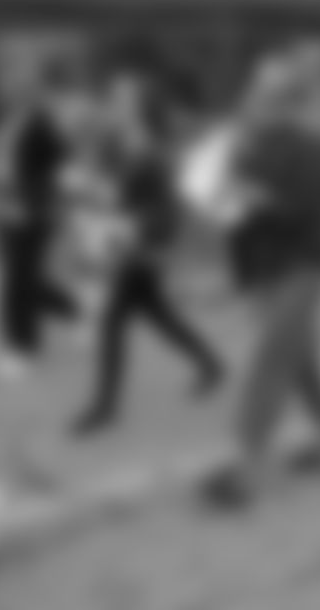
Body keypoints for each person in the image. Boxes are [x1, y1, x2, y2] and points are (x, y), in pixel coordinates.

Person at [199, 50, 320, 510]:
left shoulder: (310, 146)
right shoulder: (251, 142)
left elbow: (310, 213)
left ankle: (245, 468)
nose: (257, 94)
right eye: (257, 86)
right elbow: (232, 202)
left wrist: (257, 201)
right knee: (299, 355)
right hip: (267, 262)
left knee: (271, 358)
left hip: (305, 263)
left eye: (267, 88)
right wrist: (226, 201)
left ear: (285, 97)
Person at [70, 71, 224, 437]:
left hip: (142, 246)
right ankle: (210, 363)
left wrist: (136, 228)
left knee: (113, 322)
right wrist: (89, 187)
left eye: (123, 99)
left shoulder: (153, 149)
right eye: (114, 97)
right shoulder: (118, 142)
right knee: (158, 315)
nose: (115, 103)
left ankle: (105, 407)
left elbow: (165, 208)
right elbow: (107, 185)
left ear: (139, 106)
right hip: (123, 241)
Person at [0, 72, 80, 380]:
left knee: (17, 283)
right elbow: (2, 163)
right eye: (10, 87)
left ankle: (22, 351)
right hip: (4, 211)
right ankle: (70, 310)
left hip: (32, 213)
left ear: (32, 93)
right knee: (19, 280)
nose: (12, 92)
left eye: (20, 89)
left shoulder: (41, 125)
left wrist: (45, 197)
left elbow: (64, 160)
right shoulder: (7, 121)